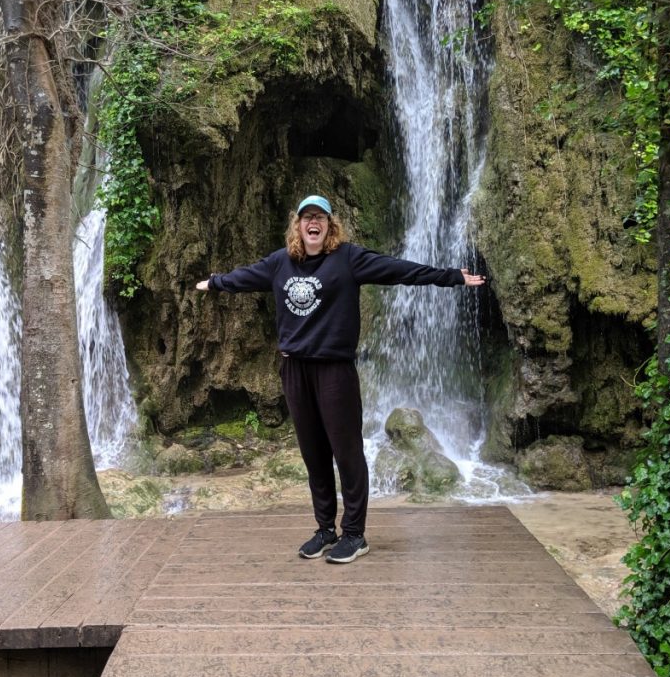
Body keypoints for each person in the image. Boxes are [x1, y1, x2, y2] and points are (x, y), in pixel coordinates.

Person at [196, 194, 485, 564]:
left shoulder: (349, 259)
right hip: (294, 368)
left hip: (334, 369)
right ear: (297, 225)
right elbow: (245, 277)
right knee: (313, 454)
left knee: (346, 452)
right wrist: (216, 283)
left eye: (320, 217)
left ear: (330, 225)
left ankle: (354, 534)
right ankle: (325, 529)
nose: (312, 223)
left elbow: (400, 270)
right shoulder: (279, 263)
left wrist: (451, 277)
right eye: (306, 218)